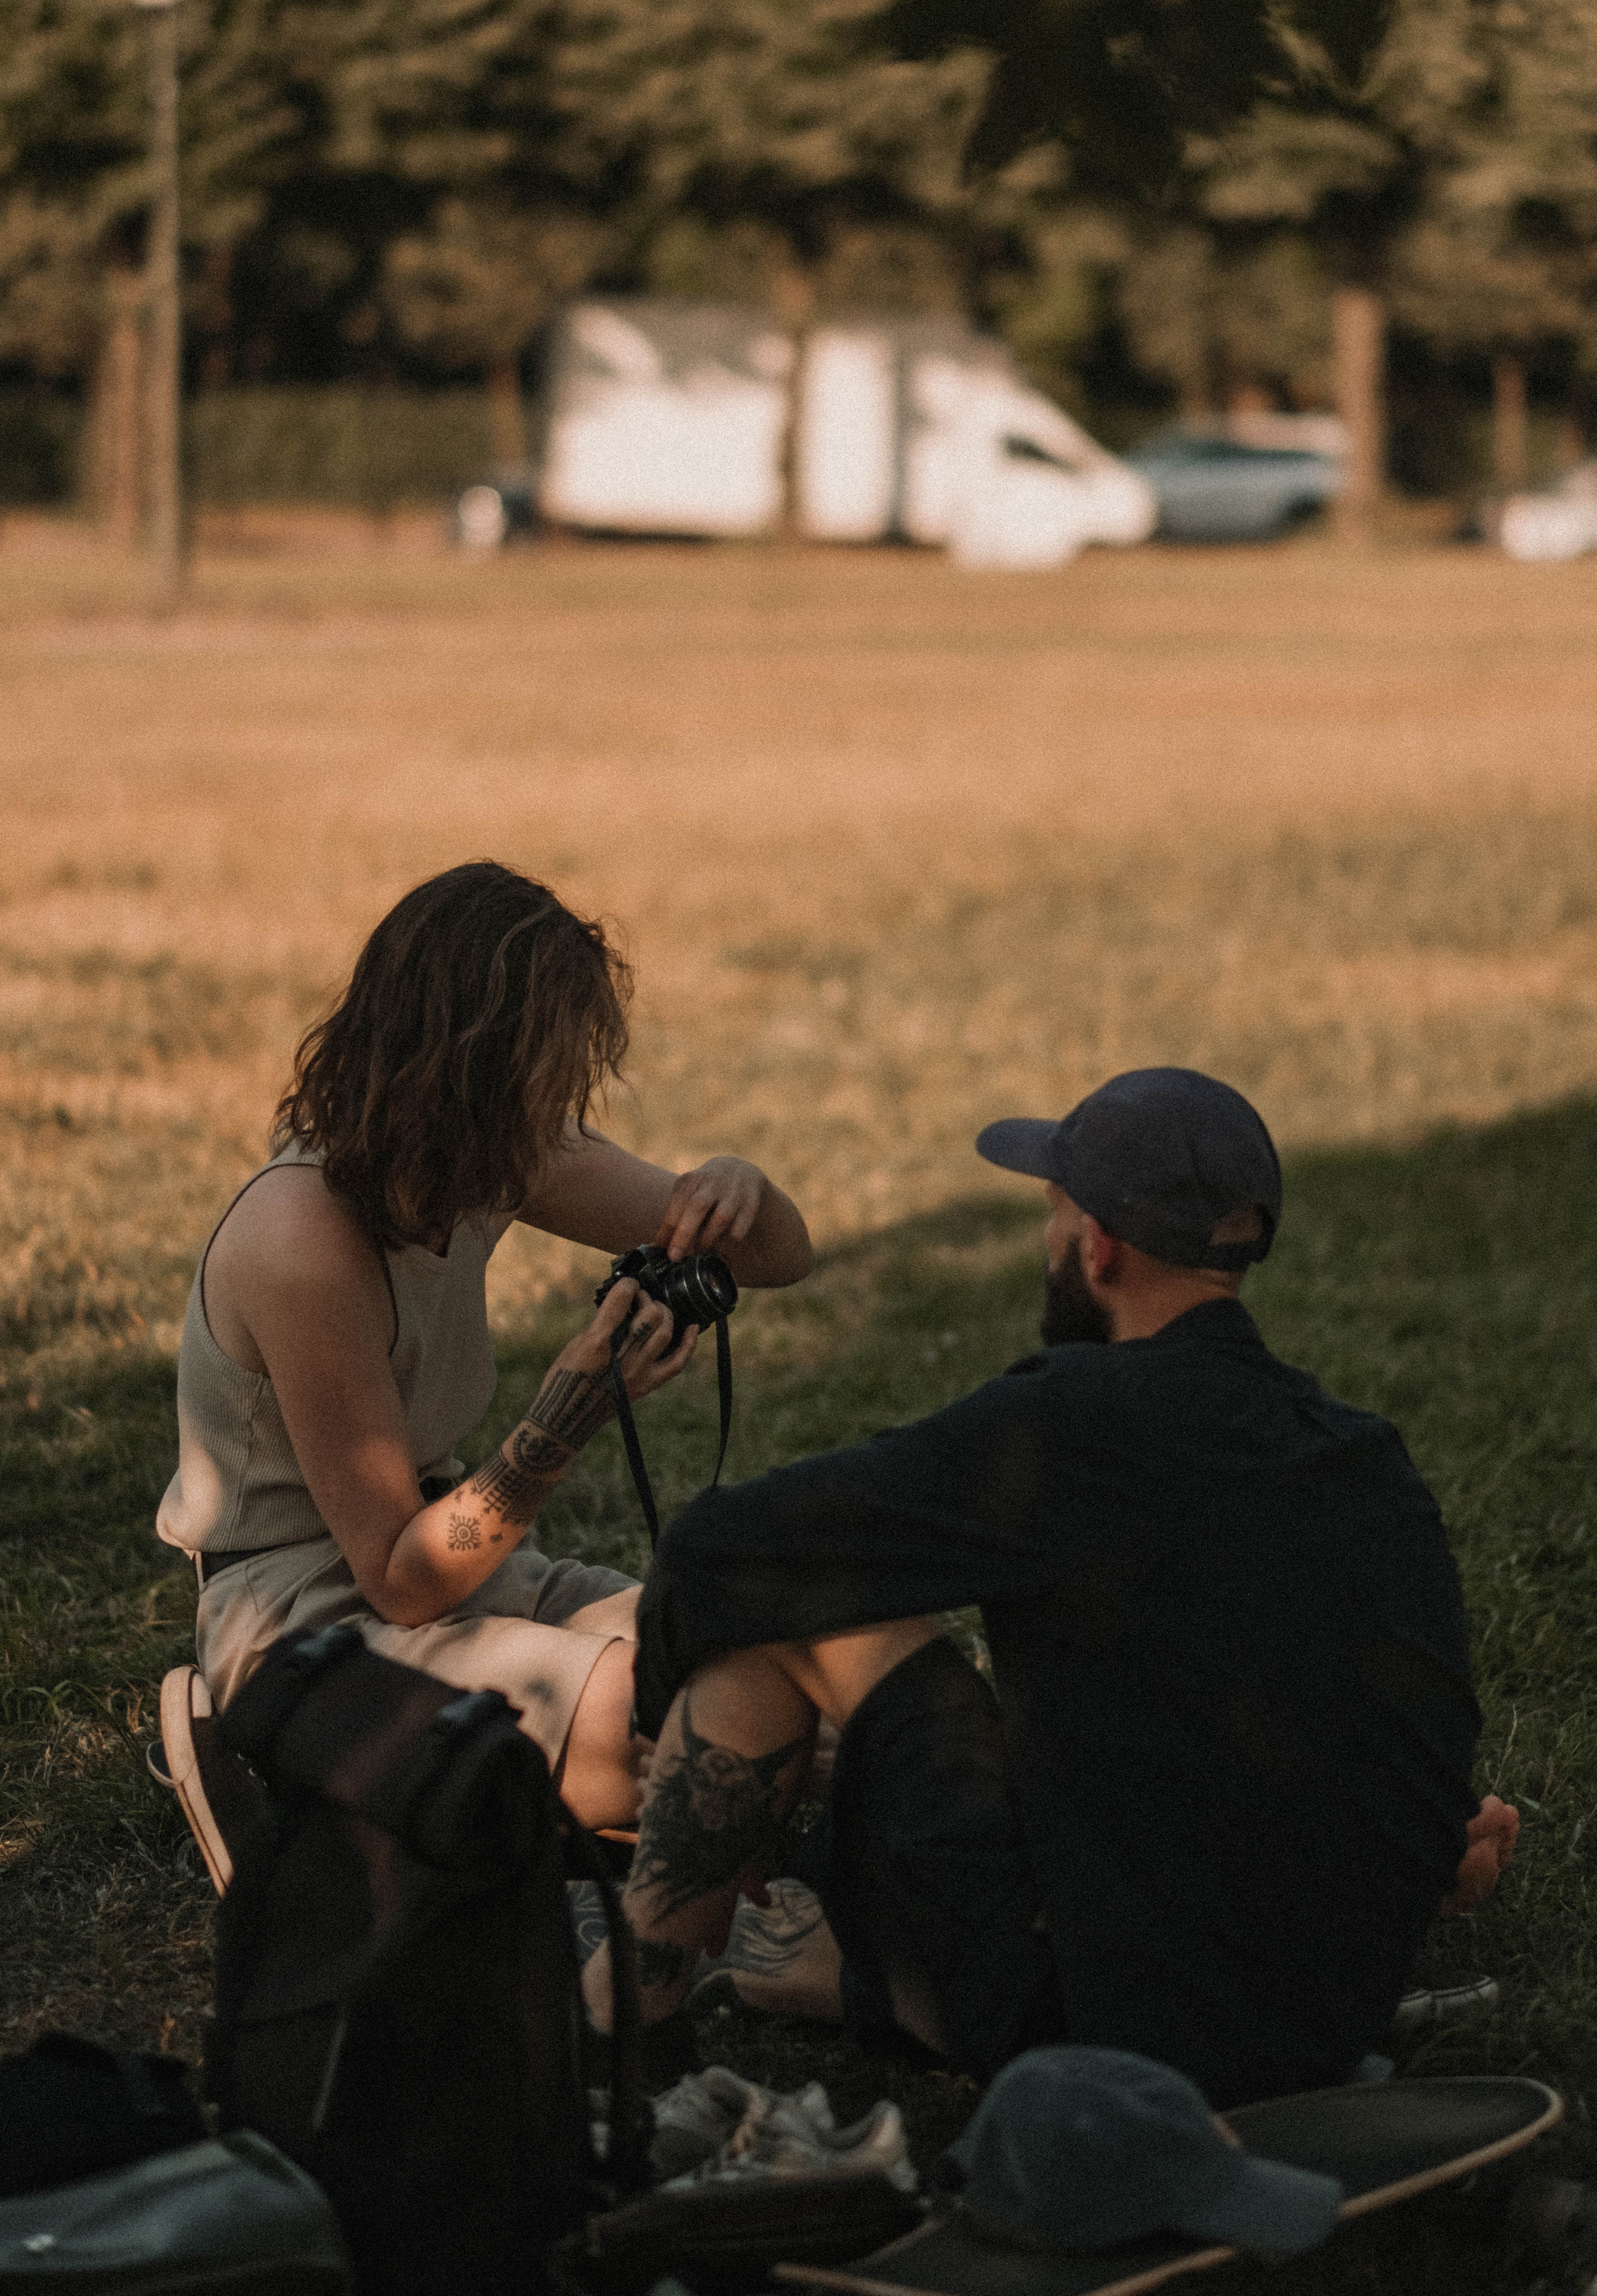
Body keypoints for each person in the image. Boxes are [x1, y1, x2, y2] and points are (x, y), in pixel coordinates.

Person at [585, 1068, 1505, 2104]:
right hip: (1324, 2019)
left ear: (1096, 1245)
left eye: (1053, 1212)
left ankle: (629, 2013)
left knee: (812, 1608)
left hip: (1107, 2041)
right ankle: (823, 1972)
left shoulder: (1065, 1429)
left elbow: (723, 1547)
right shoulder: (1363, 1455)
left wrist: (671, 1739)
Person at [156, 861, 813, 1833]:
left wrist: (735, 1189)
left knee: (775, 1668)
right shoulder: (303, 1243)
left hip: (468, 1566)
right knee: (700, 1736)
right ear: (472, 1069)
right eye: (552, 1069)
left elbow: (779, 1259)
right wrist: (570, 1411)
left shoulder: (493, 1154)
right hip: (307, 1619)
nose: (567, 1098)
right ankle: (266, 1765)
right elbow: (401, 1583)